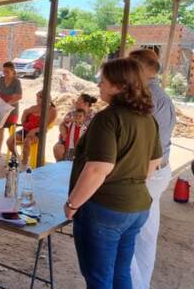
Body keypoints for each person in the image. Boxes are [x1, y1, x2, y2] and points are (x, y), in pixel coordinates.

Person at [65, 58, 162, 288]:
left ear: (120, 86)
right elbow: (155, 160)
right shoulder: (147, 119)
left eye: (104, 81)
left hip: (104, 210)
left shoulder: (108, 118)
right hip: (136, 207)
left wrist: (73, 204)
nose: (99, 85)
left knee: (99, 278)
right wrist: (130, 182)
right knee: (120, 272)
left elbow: (98, 169)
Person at [129, 49, 177, 289]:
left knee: (126, 235)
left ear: (140, 67)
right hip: (154, 172)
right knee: (145, 235)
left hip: (146, 174)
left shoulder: (150, 98)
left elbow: (146, 146)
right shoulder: (156, 96)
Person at [6, 91, 57, 168]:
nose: (36, 101)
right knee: (9, 141)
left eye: (38, 99)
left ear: (45, 99)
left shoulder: (52, 110)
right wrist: (25, 113)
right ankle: (16, 157)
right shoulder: (34, 107)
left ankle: (24, 163)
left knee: (27, 142)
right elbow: (23, 122)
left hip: (38, 132)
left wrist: (34, 131)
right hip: (26, 130)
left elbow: (45, 126)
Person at [0, 61, 22, 159]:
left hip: (12, 109)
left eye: (7, 71)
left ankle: (13, 154)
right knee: (0, 129)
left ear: (13, 71)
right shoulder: (0, 79)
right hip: (1, 107)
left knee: (11, 131)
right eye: (4, 71)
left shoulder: (16, 81)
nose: (5, 73)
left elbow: (19, 96)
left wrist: (8, 103)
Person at [53, 93, 98, 161]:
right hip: (69, 141)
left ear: (86, 104)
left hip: (86, 143)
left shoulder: (94, 116)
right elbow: (62, 125)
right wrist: (64, 135)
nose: (76, 102)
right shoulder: (72, 113)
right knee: (58, 149)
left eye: (78, 100)